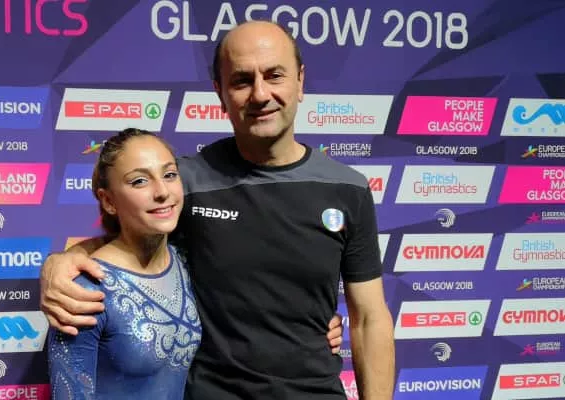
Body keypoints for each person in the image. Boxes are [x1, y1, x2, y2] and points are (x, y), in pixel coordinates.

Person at [41, 20, 395, 399]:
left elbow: (369, 319)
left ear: (300, 81)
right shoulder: (185, 182)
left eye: (274, 75)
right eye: (242, 81)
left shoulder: (348, 189)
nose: (260, 94)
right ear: (220, 93)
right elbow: (126, 241)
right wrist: (60, 263)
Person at [47, 128, 201, 399]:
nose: (162, 192)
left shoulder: (187, 260)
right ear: (108, 201)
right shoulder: (84, 291)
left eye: (169, 175)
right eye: (140, 181)